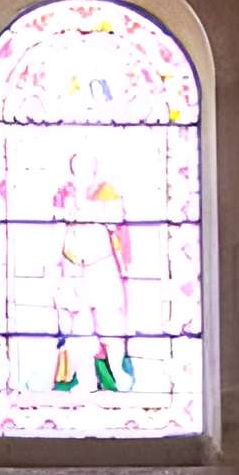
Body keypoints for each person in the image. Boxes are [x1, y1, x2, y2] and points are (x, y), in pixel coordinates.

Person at [52, 150, 134, 395]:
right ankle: (86, 379)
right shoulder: (64, 192)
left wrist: (84, 209)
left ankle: (118, 373)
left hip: (101, 264)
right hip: (73, 265)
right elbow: (57, 224)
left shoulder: (107, 191)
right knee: (78, 325)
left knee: (110, 320)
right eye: (78, 165)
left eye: (87, 165)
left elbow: (115, 218)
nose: (82, 169)